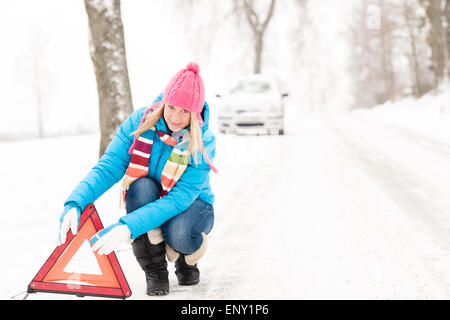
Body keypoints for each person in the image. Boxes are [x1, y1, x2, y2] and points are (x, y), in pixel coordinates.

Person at [56, 62, 218, 296]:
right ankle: (155, 270)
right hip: (152, 195)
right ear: (164, 101)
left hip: (193, 205)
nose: (175, 116)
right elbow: (109, 165)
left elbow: (179, 200)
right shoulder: (140, 123)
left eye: (185, 111)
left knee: (180, 232)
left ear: (195, 113)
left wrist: (127, 226)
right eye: (171, 106)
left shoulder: (202, 141)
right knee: (140, 187)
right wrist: (76, 202)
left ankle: (186, 257)